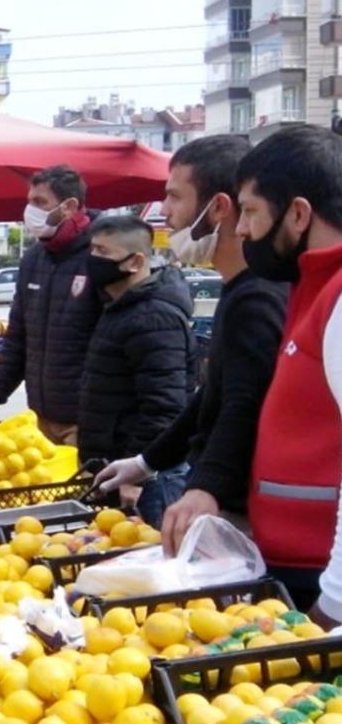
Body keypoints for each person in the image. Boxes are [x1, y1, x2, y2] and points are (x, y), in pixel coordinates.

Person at [94, 136, 288, 553]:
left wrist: (207, 487)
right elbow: (211, 397)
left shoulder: (258, 298)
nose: (165, 212)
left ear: (218, 207)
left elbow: (244, 402)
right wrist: (146, 462)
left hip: (238, 513)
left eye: (174, 196)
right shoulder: (238, 290)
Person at [227, 125, 342, 617]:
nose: (240, 229)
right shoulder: (308, 287)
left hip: (322, 583)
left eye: (251, 210)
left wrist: (333, 606)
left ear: (298, 213)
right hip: (292, 566)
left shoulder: (337, 294)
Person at [77, 214, 196, 526]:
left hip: (150, 480)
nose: (92, 260)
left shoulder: (154, 319)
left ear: (135, 262)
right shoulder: (120, 309)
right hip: (120, 470)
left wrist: (136, 474)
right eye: (92, 250)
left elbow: (164, 407)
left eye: (103, 253)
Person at [0, 165, 103, 445]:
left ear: (69, 207)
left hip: (87, 422)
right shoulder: (34, 259)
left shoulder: (100, 256)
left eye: (40, 202)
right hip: (40, 419)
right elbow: (18, 338)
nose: (29, 211)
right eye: (29, 201)